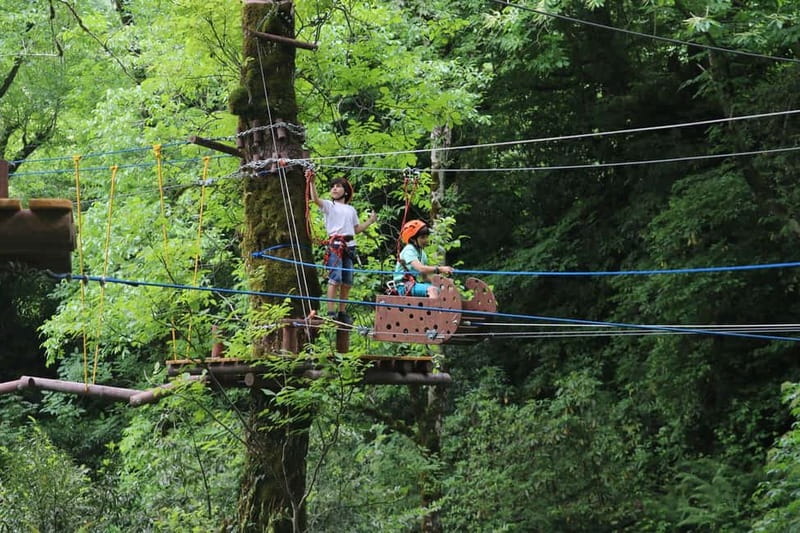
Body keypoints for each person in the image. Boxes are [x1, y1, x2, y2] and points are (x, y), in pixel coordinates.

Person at [306, 168, 377, 324]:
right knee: (335, 278)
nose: (334, 189)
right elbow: (316, 199)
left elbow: (356, 229)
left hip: (350, 246)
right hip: (336, 245)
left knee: (347, 281)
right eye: (332, 186)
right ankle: (331, 311)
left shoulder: (351, 210)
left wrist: (370, 221)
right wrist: (312, 183)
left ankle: (342, 311)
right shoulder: (329, 206)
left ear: (345, 191)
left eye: (338, 186)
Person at [394, 219, 454, 298]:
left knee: (445, 288)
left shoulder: (422, 254)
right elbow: (421, 268)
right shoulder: (409, 250)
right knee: (433, 290)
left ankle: (446, 309)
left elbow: (425, 278)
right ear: (413, 239)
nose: (426, 240)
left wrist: (442, 282)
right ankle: (434, 310)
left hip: (414, 284)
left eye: (426, 237)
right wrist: (440, 269)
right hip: (403, 286)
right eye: (422, 237)